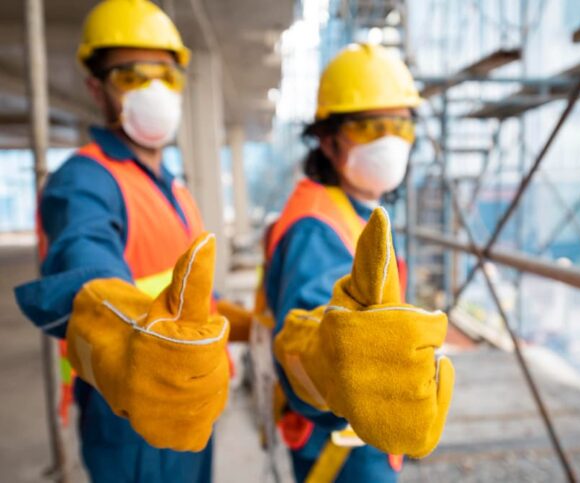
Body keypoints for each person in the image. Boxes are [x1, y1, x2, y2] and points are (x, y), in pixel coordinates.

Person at [14, 1, 248, 481]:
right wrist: (125, 329)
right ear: (96, 89)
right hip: (127, 406)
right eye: (132, 75)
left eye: (166, 74)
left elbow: (189, 294)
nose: (154, 90)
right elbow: (87, 265)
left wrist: (246, 326)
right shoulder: (85, 181)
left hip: (190, 393)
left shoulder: (177, 190)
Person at [265, 43, 456, 482]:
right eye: (370, 127)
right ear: (329, 141)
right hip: (343, 451)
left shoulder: (352, 211)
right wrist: (338, 360)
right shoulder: (317, 225)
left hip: (359, 438)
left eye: (400, 126)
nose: (388, 140)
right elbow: (309, 325)